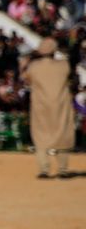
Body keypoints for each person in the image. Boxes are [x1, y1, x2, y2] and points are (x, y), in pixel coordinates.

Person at [27, 36, 75, 178]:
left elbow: (26, 76)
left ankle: (44, 169)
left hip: (41, 107)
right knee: (63, 135)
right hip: (61, 106)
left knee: (40, 136)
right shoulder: (63, 65)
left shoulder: (34, 67)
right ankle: (63, 169)